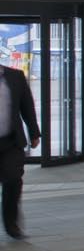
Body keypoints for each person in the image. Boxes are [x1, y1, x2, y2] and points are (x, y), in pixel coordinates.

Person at [1, 64, 43, 240]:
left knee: (13, 181)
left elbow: (27, 106)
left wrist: (34, 133)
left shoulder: (15, 76)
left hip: (10, 142)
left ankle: (11, 224)